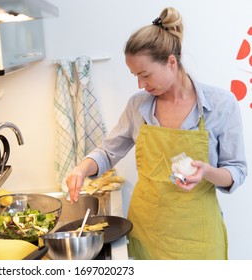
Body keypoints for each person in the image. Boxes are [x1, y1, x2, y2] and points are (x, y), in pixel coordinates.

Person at [65, 7, 247, 260]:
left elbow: (236, 170)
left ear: (171, 62)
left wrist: (206, 171)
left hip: (198, 236)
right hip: (147, 233)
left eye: (145, 74)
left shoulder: (220, 105)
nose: (140, 84)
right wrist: (83, 168)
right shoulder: (138, 106)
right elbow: (108, 151)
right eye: (135, 76)